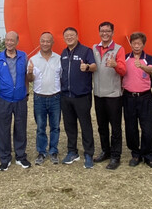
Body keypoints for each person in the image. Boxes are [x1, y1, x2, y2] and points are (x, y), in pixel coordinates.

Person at [0, 31, 30, 171]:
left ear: (17, 42)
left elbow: (27, 76)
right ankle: (4, 158)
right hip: (3, 98)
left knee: (20, 128)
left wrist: (27, 92)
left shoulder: (23, 56)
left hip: (20, 98)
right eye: (7, 40)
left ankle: (20, 156)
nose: (9, 43)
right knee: (3, 129)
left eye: (12, 40)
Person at [60, 27, 96, 169]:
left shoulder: (86, 51)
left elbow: (94, 66)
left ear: (77, 36)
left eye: (72, 35)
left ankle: (88, 153)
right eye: (66, 36)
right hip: (65, 96)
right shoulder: (63, 53)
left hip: (82, 96)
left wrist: (86, 67)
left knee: (85, 125)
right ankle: (72, 151)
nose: (69, 38)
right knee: (69, 126)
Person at [122, 32, 152, 169]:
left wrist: (141, 66)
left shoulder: (148, 58)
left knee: (148, 127)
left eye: (139, 44)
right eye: (134, 43)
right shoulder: (125, 58)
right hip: (128, 97)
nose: (136, 46)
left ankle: (148, 155)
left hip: (144, 97)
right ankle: (135, 154)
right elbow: (120, 71)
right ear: (130, 44)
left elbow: (151, 70)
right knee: (131, 127)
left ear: (144, 45)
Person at [92, 21, 126, 170]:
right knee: (102, 126)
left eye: (107, 31)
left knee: (116, 127)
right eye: (102, 31)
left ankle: (115, 155)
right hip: (98, 94)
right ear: (99, 32)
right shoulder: (94, 48)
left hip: (113, 95)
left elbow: (124, 71)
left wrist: (115, 65)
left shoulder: (119, 49)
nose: (105, 33)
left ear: (112, 32)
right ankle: (105, 151)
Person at [27, 32, 62, 165]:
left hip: (55, 98)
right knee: (40, 127)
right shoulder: (33, 60)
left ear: (52, 43)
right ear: (39, 42)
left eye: (48, 41)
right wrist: (30, 72)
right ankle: (41, 152)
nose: (45, 43)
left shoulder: (58, 58)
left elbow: (62, 77)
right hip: (39, 98)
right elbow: (30, 80)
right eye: (43, 41)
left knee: (55, 127)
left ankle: (53, 151)